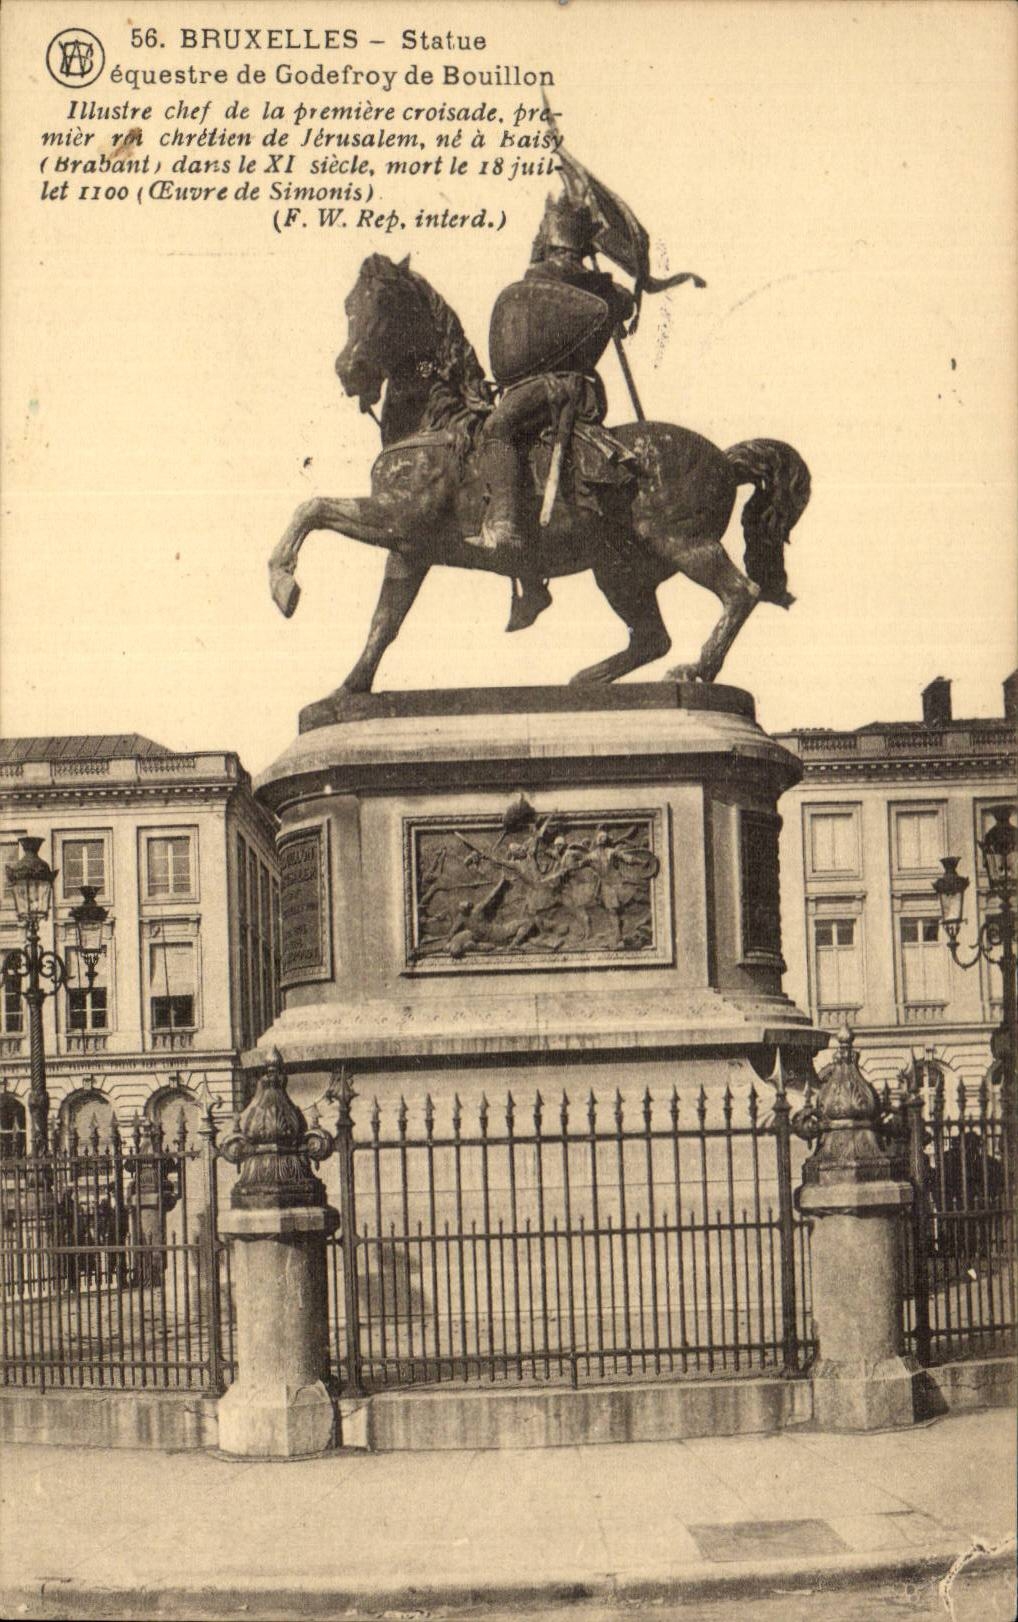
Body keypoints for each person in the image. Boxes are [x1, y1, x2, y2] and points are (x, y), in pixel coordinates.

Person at [477, 193, 636, 632]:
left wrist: (601, 284)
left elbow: (555, 276)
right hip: (539, 385)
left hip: (562, 388)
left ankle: (506, 523)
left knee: (498, 426)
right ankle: (532, 581)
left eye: (558, 246)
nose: (554, 253)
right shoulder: (571, 281)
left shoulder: (570, 279)